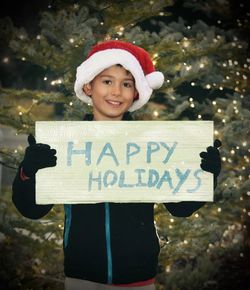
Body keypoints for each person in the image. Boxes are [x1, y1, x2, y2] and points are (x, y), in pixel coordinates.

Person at [12, 40, 222, 290]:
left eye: (126, 83)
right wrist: (29, 172)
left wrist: (205, 174)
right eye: (107, 81)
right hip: (82, 275)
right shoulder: (67, 143)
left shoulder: (151, 145)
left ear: (135, 92)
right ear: (89, 86)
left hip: (139, 277)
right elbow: (31, 210)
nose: (116, 91)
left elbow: (181, 207)